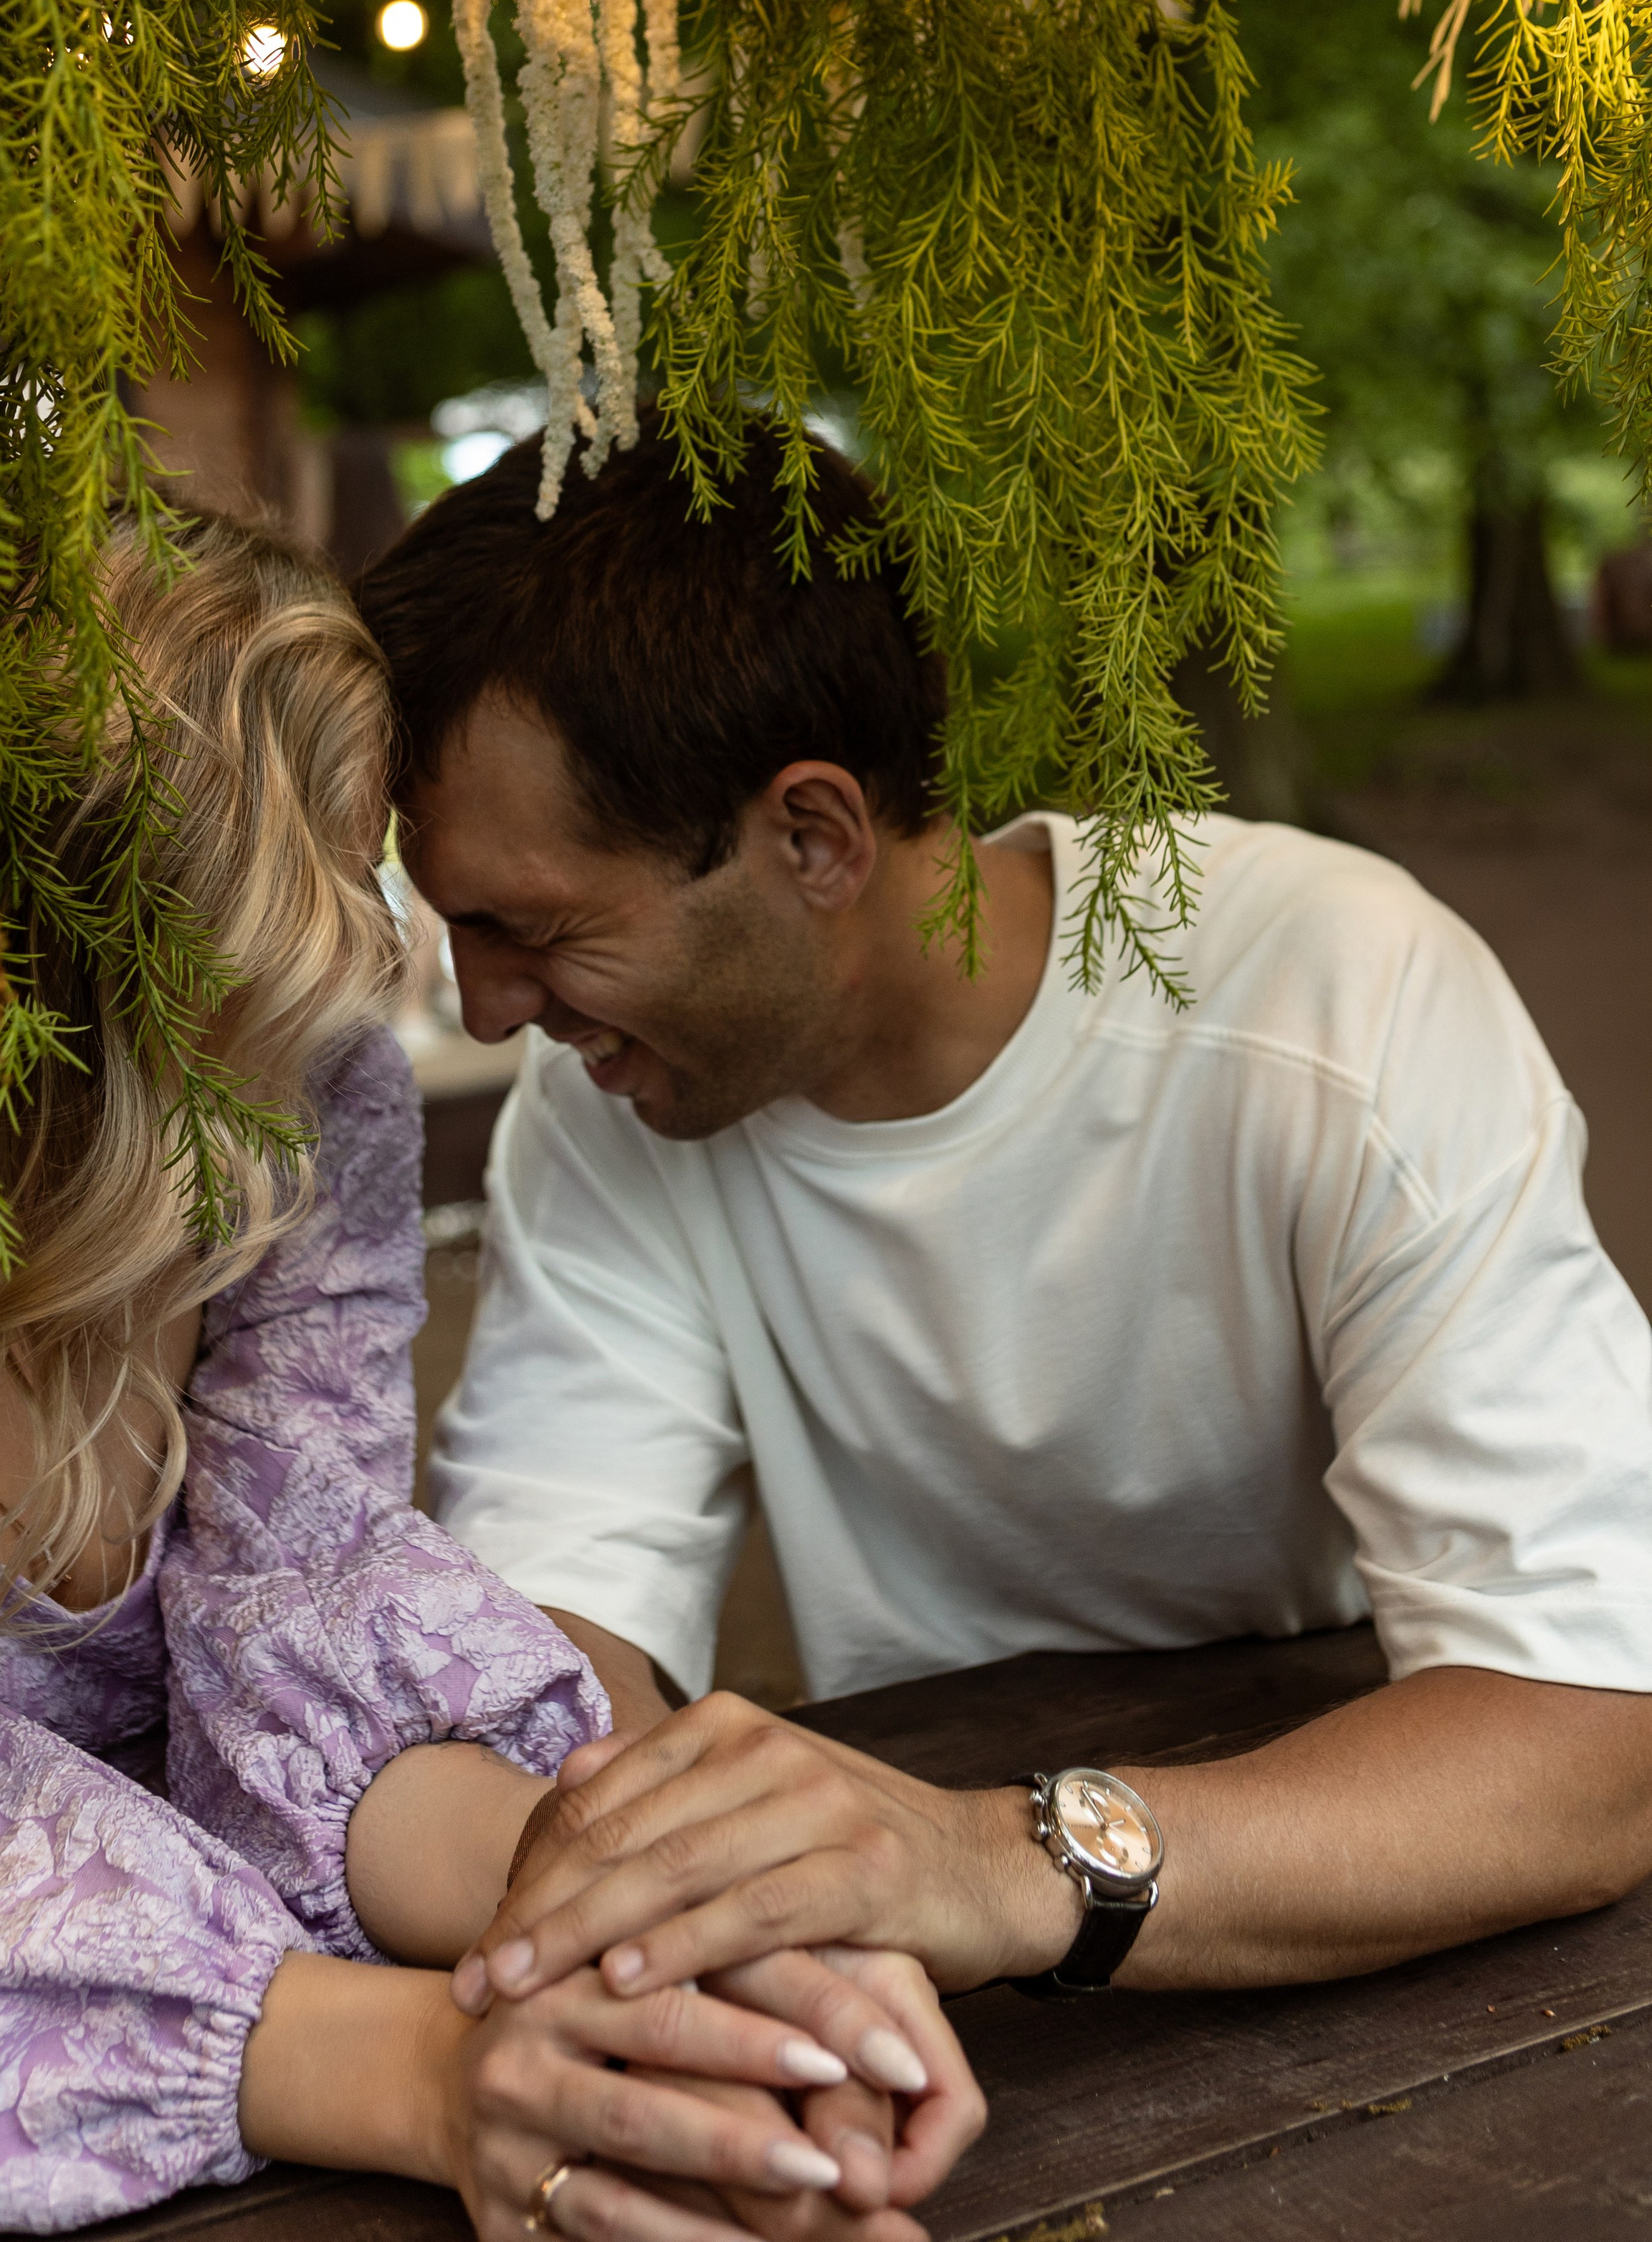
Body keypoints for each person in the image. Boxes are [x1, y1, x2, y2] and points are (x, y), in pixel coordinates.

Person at [355, 426, 1652, 2027]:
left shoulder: (1332, 996)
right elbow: (547, 1664)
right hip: (922, 1962)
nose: (484, 1012)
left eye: (533, 928)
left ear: (813, 836)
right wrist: (651, 1914)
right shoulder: (612, 1108)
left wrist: (985, 1863)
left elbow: (1585, 1736)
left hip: (1379, 1921)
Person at [0, 508, 978, 2242]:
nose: (401, 989)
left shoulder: (290, 1115)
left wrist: (644, 1923)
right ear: (29, 978)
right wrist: (435, 2071)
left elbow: (306, 1625)